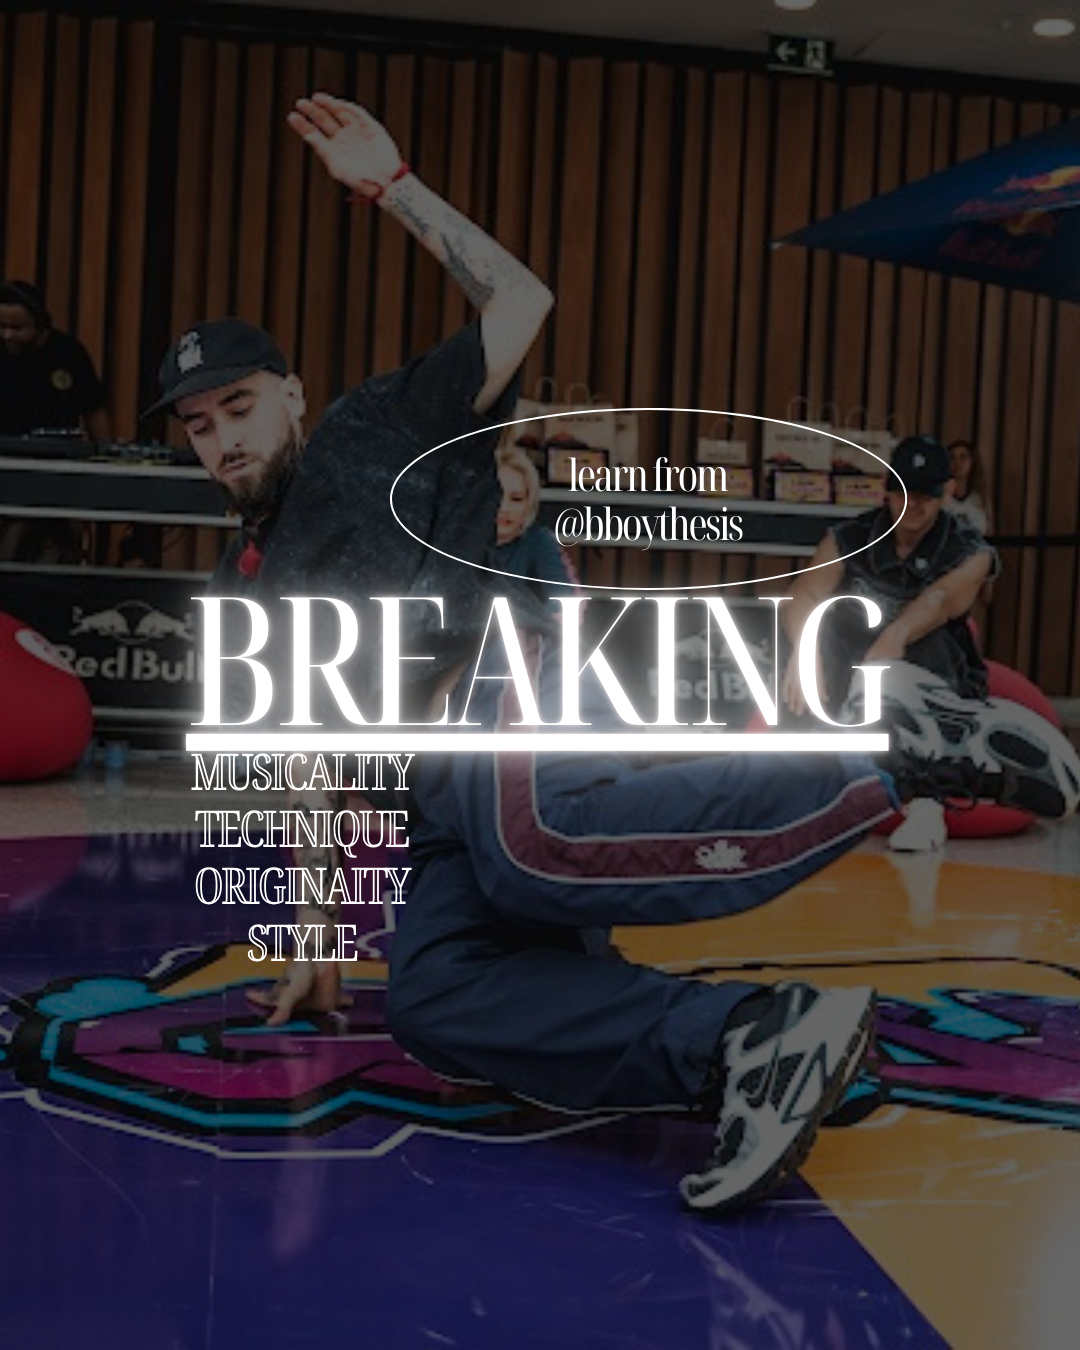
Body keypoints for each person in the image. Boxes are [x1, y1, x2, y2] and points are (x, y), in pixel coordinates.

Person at [160, 99, 1079, 1216]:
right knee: (434, 996)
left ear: (291, 393)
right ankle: (748, 1043)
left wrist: (395, 188)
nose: (227, 439)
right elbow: (309, 763)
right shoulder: (243, 583)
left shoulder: (375, 426)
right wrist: (313, 929)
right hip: (436, 799)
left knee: (531, 850)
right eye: (201, 427)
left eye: (241, 407)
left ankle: (891, 751)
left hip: (505, 690)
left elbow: (522, 301)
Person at [781, 434, 998, 852]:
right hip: (855, 674)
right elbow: (805, 592)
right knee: (812, 632)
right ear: (887, 490)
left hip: (927, 674)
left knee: (930, 639)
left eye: (924, 496)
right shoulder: (851, 536)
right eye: (901, 492)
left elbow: (939, 601)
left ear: (947, 492)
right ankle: (805, 781)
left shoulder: (970, 549)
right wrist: (805, 650)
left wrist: (894, 638)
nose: (911, 505)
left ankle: (927, 804)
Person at [0, 280, 111, 563]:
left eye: (17, 328)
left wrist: (106, 454)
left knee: (58, 552)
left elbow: (94, 408)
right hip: (7, 470)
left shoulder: (68, 352)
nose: (7, 335)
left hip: (60, 472)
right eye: (2, 326)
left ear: (40, 323)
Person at [492, 443, 580, 604]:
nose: (505, 508)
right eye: (497, 496)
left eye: (516, 499)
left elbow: (565, 601)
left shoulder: (540, 540)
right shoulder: (459, 540)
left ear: (529, 504)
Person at [947, 438, 992, 536]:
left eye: (963, 457)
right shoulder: (939, 497)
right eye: (952, 457)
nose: (957, 462)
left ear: (972, 462)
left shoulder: (982, 497)